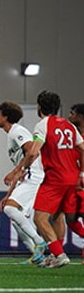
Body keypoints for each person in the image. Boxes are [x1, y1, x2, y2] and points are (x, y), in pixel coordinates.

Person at [6, 91, 84, 268]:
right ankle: (57, 254)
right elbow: (82, 148)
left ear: (39, 106)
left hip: (55, 178)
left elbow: (33, 152)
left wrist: (20, 169)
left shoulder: (43, 125)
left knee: (39, 218)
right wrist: (81, 174)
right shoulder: (69, 126)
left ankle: (59, 254)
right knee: (58, 216)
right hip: (72, 179)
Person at [0, 101, 47, 264]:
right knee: (14, 215)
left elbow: (33, 151)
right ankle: (37, 255)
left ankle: (39, 242)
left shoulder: (17, 131)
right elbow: (21, 166)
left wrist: (14, 172)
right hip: (28, 176)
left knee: (11, 209)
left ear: (5, 116)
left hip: (35, 174)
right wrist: (8, 194)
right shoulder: (11, 134)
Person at [65, 103, 84, 260]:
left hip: (81, 181)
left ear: (80, 116)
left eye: (72, 113)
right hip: (73, 183)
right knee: (70, 218)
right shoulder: (73, 135)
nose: (70, 117)